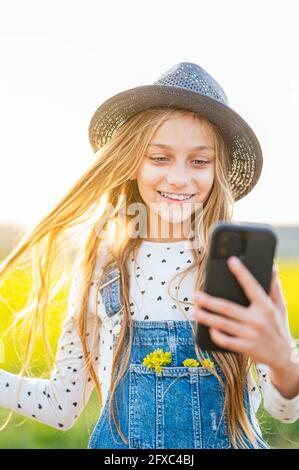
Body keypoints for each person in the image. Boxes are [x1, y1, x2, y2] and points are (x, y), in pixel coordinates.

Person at [0, 62, 298, 449]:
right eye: (159, 158)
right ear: (132, 162)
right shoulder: (101, 268)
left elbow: (285, 410)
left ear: (217, 169)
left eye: (199, 161)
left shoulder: (239, 268)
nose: (178, 177)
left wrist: (283, 361)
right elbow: (62, 404)